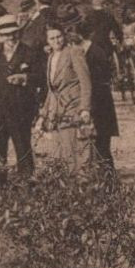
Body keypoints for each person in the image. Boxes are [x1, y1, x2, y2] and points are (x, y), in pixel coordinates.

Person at [0, 15, 45, 176]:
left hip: (20, 108)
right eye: (6, 35)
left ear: (18, 33)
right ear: (1, 36)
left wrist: (25, 78)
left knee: (22, 145)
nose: (10, 38)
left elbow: (41, 77)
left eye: (13, 34)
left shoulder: (29, 52)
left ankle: (26, 182)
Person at [39, 26, 94, 169]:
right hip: (57, 109)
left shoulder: (73, 52)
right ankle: (69, 185)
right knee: (61, 150)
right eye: (52, 38)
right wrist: (44, 113)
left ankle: (81, 184)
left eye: (59, 36)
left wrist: (85, 108)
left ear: (64, 36)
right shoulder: (51, 57)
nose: (57, 40)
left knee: (74, 149)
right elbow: (52, 89)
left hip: (73, 106)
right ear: (47, 41)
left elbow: (85, 81)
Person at [82, 0, 122, 169]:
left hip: (93, 48)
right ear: (104, 5)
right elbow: (118, 31)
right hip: (105, 48)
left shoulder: (88, 17)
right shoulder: (108, 16)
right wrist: (118, 42)